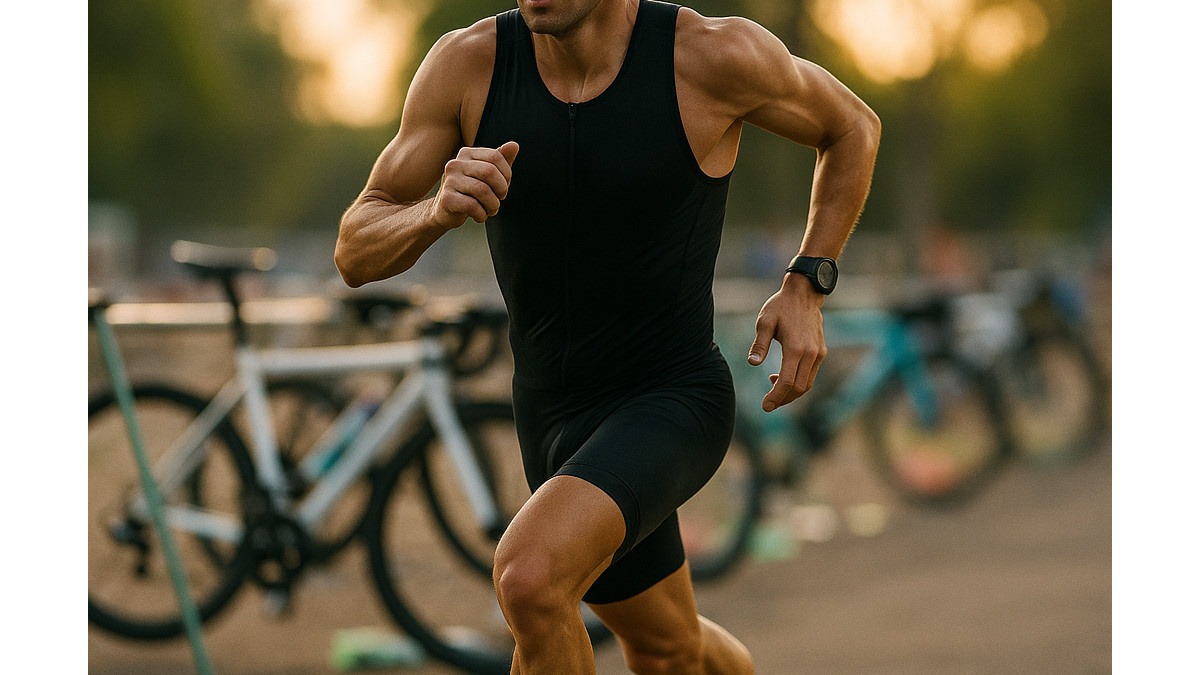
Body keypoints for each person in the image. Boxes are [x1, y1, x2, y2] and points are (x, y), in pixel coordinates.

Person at [334, 0, 880, 672]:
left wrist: (806, 283)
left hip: (672, 399)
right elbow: (355, 250)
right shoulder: (467, 65)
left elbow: (853, 125)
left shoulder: (712, 57)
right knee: (668, 646)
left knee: (531, 579)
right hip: (551, 417)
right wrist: (433, 212)